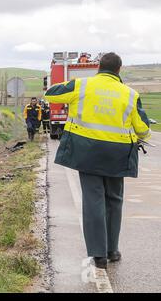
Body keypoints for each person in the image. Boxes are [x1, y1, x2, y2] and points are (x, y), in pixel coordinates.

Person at [44, 52, 151, 270]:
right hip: (117, 155)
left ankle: (98, 254)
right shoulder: (130, 94)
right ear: (119, 70)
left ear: (99, 67)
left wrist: (70, 84)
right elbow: (143, 128)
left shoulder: (82, 86)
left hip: (87, 153)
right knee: (114, 200)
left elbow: (51, 94)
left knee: (93, 201)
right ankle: (112, 249)